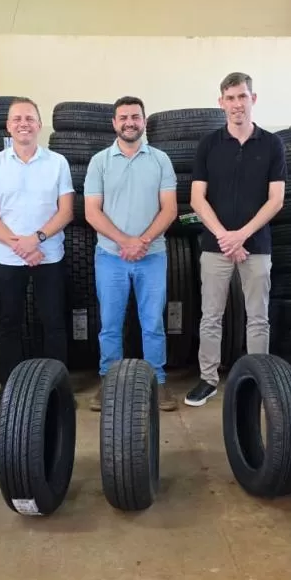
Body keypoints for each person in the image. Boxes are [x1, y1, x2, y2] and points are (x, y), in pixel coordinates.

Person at [186, 71, 287, 407]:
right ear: (221, 103)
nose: (236, 104)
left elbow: (276, 200)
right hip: (215, 246)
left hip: (256, 246)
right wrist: (224, 237)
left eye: (242, 96)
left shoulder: (272, 144)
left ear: (252, 99)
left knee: (258, 316)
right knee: (210, 315)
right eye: (230, 98)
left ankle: (259, 378)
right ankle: (208, 379)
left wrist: (241, 236)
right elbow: (198, 199)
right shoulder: (209, 144)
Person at [83, 96, 179, 412]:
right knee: (110, 323)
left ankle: (158, 382)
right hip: (110, 256)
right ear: (114, 123)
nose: (129, 122)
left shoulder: (161, 160)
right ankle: (108, 380)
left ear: (144, 121)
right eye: (123, 117)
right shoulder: (99, 162)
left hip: (152, 256)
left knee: (152, 322)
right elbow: (92, 212)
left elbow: (170, 209)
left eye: (135, 117)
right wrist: (125, 241)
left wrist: (143, 241)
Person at [0, 97, 74, 414]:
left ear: (39, 124)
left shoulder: (57, 162)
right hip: (8, 258)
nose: (24, 123)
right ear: (8, 126)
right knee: (9, 323)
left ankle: (58, 389)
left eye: (30, 118)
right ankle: (8, 386)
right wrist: (18, 244)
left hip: (49, 256)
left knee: (53, 323)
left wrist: (37, 239)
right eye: (17, 118)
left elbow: (66, 211)